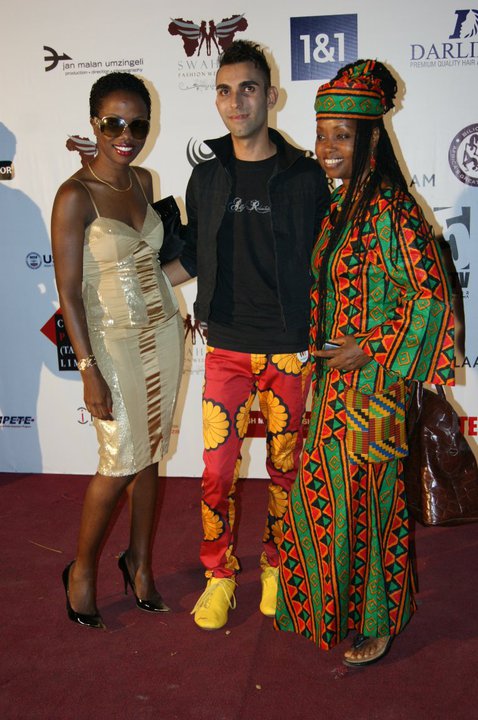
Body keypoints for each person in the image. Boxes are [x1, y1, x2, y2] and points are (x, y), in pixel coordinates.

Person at [276, 60, 455, 665]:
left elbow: (430, 298)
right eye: (322, 133)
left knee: (374, 504)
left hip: (375, 388)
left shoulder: (392, 210)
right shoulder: (341, 207)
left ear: (371, 139)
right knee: (328, 499)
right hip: (334, 388)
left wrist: (370, 346)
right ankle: (337, 610)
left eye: (342, 135)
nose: (327, 146)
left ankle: (380, 620)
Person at [163, 40, 330, 630]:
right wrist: (136, 286)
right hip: (227, 347)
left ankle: (279, 567)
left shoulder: (306, 176)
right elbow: (193, 256)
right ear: (216, 99)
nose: (236, 102)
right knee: (216, 473)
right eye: (225, 91)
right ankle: (220, 575)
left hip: (291, 346)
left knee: (287, 472)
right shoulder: (206, 176)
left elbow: (328, 260)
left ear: (271, 96)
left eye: (248, 89)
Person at [52, 72, 184, 629]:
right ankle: (81, 571)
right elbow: (68, 294)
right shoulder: (74, 196)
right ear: (94, 124)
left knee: (150, 453)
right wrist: (88, 370)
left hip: (164, 334)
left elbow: (155, 265)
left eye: (138, 125)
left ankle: (140, 564)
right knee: (118, 461)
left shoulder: (145, 181)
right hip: (110, 343)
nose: (126, 136)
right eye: (113, 124)